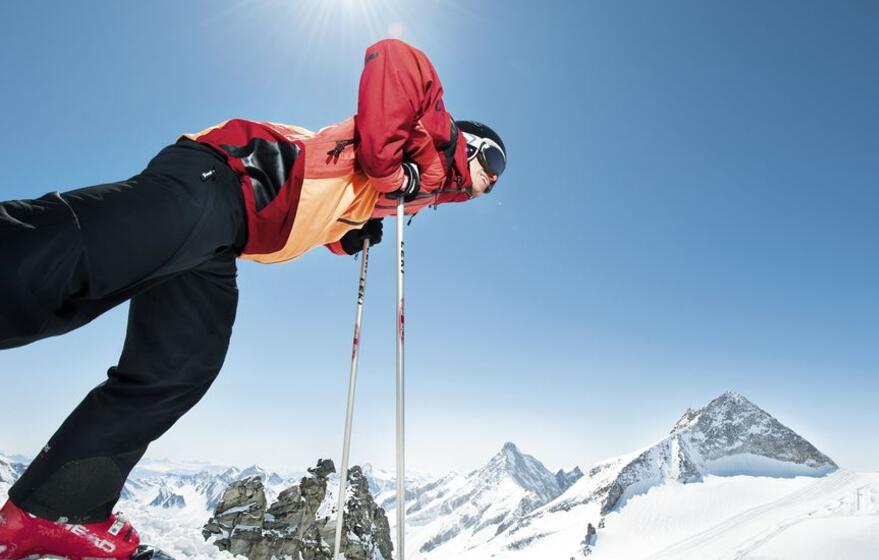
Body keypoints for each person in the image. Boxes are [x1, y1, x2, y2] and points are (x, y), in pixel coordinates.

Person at [0, 38, 507, 559]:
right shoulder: (433, 143)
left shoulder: (414, 190)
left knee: (180, 367)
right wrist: (394, 172)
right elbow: (395, 58)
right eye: (493, 159)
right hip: (224, 179)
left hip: (230, 232)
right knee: (74, 259)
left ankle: (55, 506)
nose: (491, 179)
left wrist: (350, 233)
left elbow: (325, 193)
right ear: (469, 142)